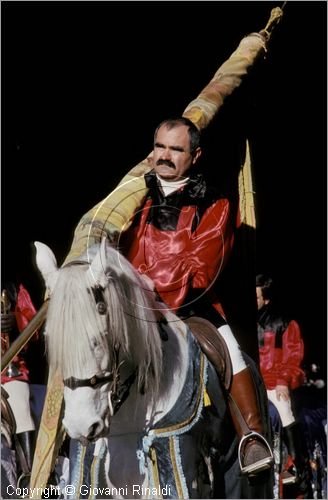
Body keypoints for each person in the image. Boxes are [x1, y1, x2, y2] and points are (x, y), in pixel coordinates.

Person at [256, 274, 312, 494]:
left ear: (266, 299)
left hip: (273, 384)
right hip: (253, 382)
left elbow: (293, 356)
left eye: (256, 296)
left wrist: (282, 382)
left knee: (284, 410)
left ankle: (295, 466)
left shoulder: (284, 322)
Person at [1, 281, 38, 485]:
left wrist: (16, 321)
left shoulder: (15, 289)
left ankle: (29, 475)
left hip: (10, 371)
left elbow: (33, 328)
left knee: (20, 404)